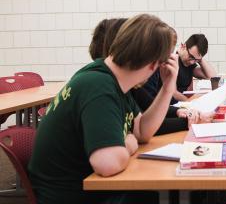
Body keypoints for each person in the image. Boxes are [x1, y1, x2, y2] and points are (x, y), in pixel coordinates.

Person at [29, 14, 179, 204]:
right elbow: (107, 163)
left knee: (155, 192)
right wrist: (128, 143)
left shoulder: (113, 79)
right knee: (156, 194)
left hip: (87, 187)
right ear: (152, 65)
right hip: (73, 196)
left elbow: (141, 131)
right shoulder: (99, 86)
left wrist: (167, 89)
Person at [89, 19, 208, 135]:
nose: (158, 63)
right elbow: (139, 130)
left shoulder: (126, 85)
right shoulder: (102, 86)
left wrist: (179, 111)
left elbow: (142, 123)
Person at [143, 34, 216, 106]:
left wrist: (199, 59)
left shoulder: (190, 65)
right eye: (191, 56)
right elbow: (173, 92)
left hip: (179, 104)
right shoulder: (172, 60)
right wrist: (190, 103)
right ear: (183, 46)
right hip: (166, 105)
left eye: (195, 60)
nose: (192, 62)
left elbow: (212, 77)